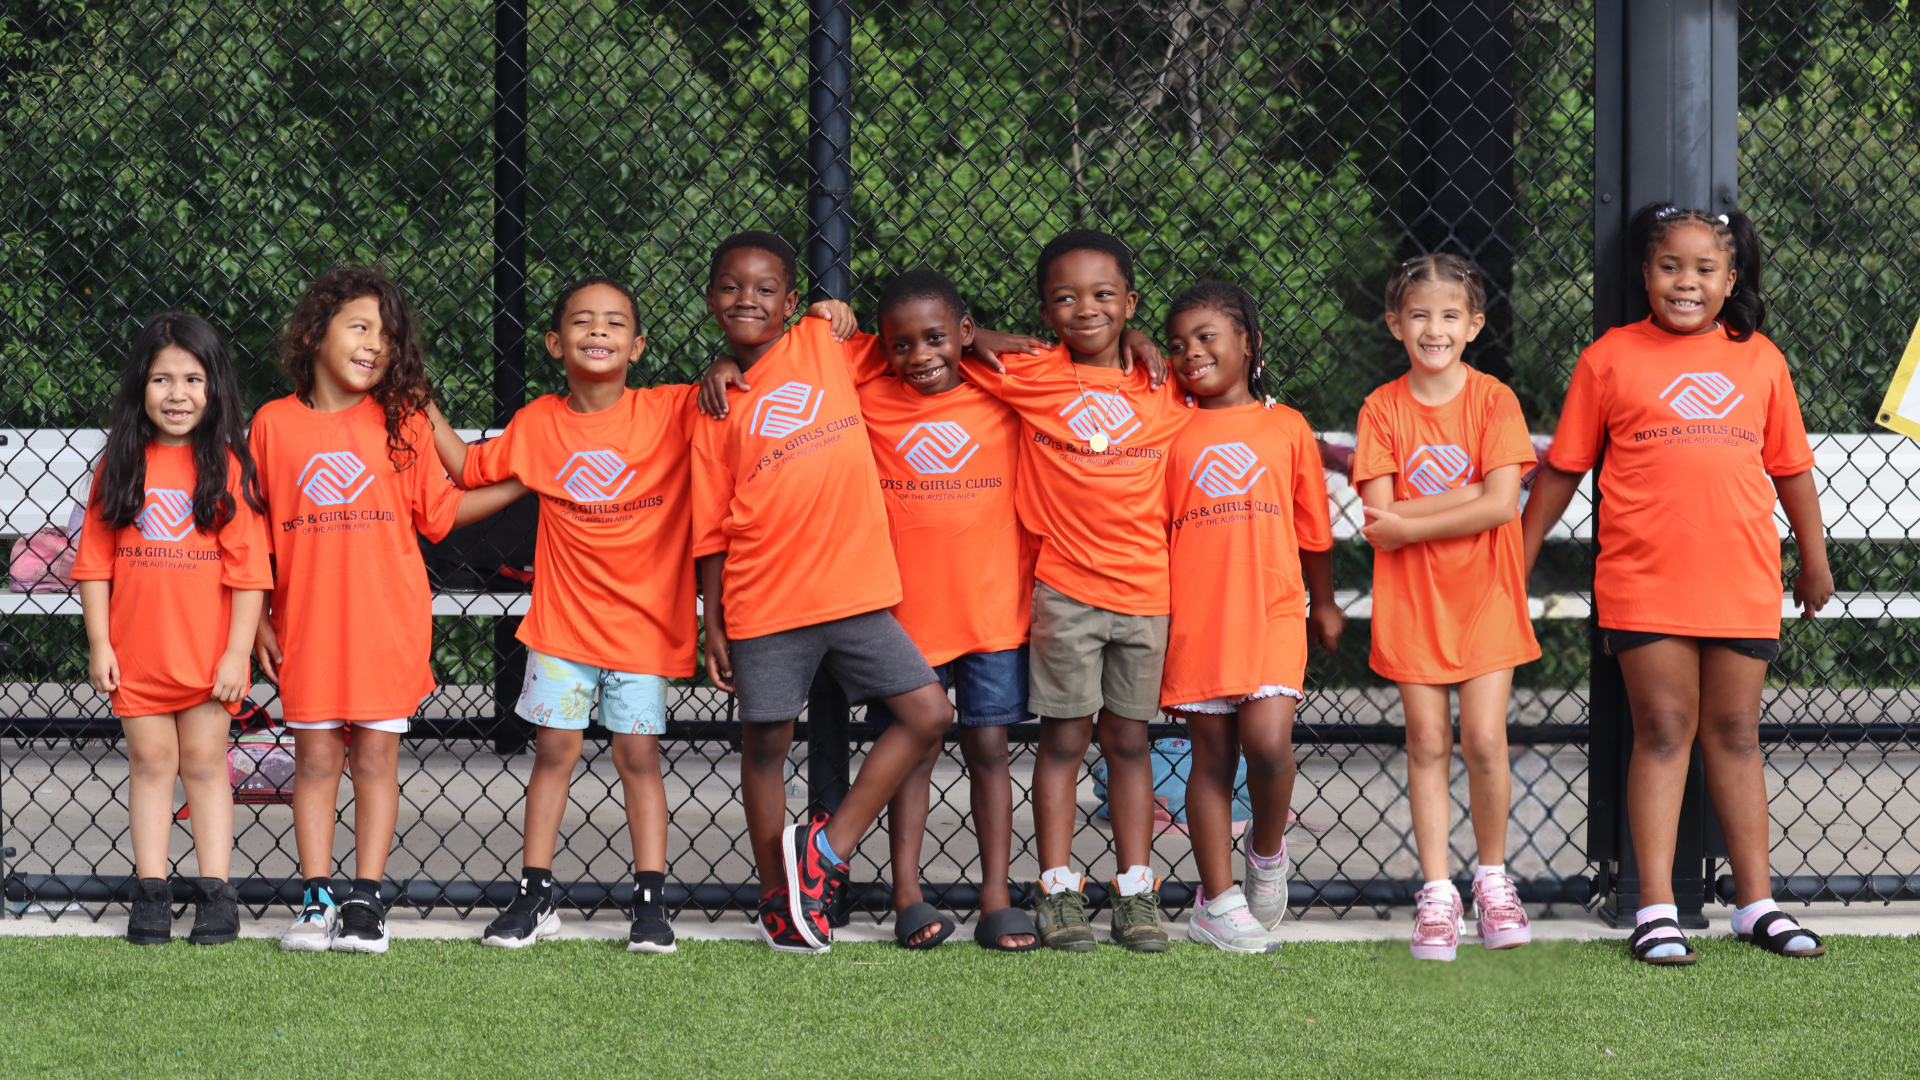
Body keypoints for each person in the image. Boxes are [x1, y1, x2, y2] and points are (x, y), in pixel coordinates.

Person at [1522, 204, 1831, 965]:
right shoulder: (1609, 358)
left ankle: (1757, 906)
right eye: (1669, 267)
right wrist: (1517, 556)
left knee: (1736, 734)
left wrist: (1814, 558)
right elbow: (1564, 468)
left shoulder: (1761, 360)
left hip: (1742, 579)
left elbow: (1791, 469)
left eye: (1703, 269)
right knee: (1662, 731)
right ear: (1644, 274)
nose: (1685, 282)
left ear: (1730, 280)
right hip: (1646, 579)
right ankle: (1655, 910)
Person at [702, 268, 1041, 950]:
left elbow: (1075, 367)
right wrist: (724, 364)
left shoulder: (999, 387)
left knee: (988, 746)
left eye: (936, 340)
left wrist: (980, 338)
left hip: (987, 609)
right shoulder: (863, 388)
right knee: (906, 743)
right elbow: (788, 367)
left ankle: (994, 897)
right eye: (902, 346)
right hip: (897, 607)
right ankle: (893, 893)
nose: (918, 356)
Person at [689, 231, 957, 954]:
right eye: (731, 287)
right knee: (766, 744)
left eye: (765, 288)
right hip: (765, 597)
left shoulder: (822, 342)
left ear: (791, 303)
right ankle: (778, 898)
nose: (747, 299)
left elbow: (917, 347)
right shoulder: (714, 402)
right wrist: (714, 621)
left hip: (854, 590)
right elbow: (710, 525)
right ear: (710, 300)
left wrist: (975, 336)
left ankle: (825, 852)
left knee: (928, 712)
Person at [252, 268, 526, 953]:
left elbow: (442, 513)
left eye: (387, 334)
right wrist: (254, 617)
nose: (375, 344)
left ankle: (366, 899)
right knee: (316, 760)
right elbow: (253, 535)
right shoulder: (272, 424)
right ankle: (315, 898)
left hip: (386, 624)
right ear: (314, 334)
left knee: (375, 759)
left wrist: (525, 480)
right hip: (306, 626)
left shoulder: (402, 418)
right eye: (360, 327)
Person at [426, 276, 695, 954]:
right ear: (554, 343)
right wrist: (420, 400)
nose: (598, 331)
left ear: (638, 346)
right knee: (554, 752)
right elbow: (467, 469)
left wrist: (724, 366)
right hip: (564, 628)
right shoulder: (540, 423)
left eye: (614, 322)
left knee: (638, 756)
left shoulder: (669, 410)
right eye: (582, 321)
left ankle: (650, 900)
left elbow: (738, 400)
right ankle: (536, 893)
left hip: (641, 629)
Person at [960, 229, 1190, 952]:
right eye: (1065, 298)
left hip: (1147, 592)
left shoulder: (1163, 381)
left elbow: (1227, 368)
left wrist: (1143, 341)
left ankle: (1135, 890)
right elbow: (939, 337)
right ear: (1044, 311)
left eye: (1103, 295)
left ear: (1131, 302)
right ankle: (1058, 889)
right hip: (1065, 590)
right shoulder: (1031, 373)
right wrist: (991, 335)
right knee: (1064, 739)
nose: (1085, 308)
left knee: (1129, 739)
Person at [1353, 253, 1541, 961]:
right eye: (1420, 315)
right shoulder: (1382, 408)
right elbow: (1380, 517)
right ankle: (1437, 893)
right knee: (1427, 742)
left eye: (1450, 315)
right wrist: (1466, 498)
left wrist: (1412, 519)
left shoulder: (1494, 401)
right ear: (1395, 323)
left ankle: (1492, 880)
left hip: (1487, 595)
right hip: (1413, 602)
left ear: (1475, 324)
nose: (1435, 329)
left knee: (1485, 740)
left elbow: (1502, 505)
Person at [75, 312, 272, 946]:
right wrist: (100, 643)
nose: (177, 394)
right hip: (138, 655)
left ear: (214, 388)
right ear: (140, 387)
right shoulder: (120, 465)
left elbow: (249, 574)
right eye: (162, 379)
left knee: (207, 766)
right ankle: (152, 892)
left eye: (192, 379)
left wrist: (237, 654)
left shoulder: (228, 467)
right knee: (151, 763)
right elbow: (95, 565)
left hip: (209, 658)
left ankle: (216, 894)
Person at [1158, 282, 1342, 953]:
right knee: (1209, 757)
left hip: (1271, 608)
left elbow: (1312, 528)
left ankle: (1266, 851)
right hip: (1198, 615)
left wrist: (1325, 602)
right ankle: (1217, 900)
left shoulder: (1285, 425)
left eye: (1207, 337)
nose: (1191, 352)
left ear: (1249, 343)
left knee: (1266, 744)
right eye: (1178, 343)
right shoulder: (1166, 427)